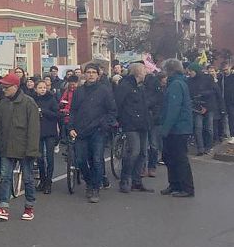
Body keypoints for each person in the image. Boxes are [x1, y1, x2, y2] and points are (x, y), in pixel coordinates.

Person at [0, 72, 40, 221]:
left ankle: (29, 207)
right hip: (7, 147)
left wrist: (32, 150)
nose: (3, 89)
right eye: (2, 86)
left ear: (15, 87)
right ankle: (3, 207)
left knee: (28, 179)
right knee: (5, 177)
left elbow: (34, 129)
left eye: (6, 87)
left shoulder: (29, 103)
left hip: (25, 148)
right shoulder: (3, 103)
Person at [69, 63, 117, 203]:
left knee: (96, 159)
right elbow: (73, 110)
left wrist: (104, 124)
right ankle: (89, 181)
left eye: (93, 72)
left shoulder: (104, 90)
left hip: (98, 130)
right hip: (81, 130)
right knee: (80, 160)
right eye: (88, 72)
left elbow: (112, 111)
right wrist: (70, 127)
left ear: (98, 75)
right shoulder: (79, 91)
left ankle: (95, 187)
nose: (90, 75)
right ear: (84, 74)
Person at [114, 63, 153, 193]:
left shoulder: (140, 87)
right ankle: (125, 180)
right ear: (138, 72)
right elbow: (118, 103)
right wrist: (120, 119)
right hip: (130, 124)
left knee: (142, 153)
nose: (146, 73)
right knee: (134, 152)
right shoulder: (125, 86)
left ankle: (137, 181)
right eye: (144, 70)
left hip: (143, 123)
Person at [159, 58, 195, 197]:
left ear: (170, 70)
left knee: (179, 158)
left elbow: (173, 109)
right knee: (170, 157)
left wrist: (165, 129)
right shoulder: (178, 82)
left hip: (178, 128)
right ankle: (174, 184)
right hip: (179, 127)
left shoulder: (176, 85)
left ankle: (186, 187)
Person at [32, 79, 59, 194]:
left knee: (49, 157)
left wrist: (43, 111)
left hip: (50, 132)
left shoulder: (51, 99)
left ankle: (48, 181)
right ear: (36, 89)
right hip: (38, 131)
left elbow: (56, 115)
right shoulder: (33, 100)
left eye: (44, 87)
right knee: (39, 158)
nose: (42, 89)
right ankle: (42, 180)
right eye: (40, 87)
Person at [190, 65, 221, 155]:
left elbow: (213, 91)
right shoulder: (190, 81)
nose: (190, 73)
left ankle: (208, 146)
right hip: (197, 107)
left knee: (209, 129)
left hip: (209, 106)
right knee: (198, 128)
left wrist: (201, 94)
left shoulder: (208, 78)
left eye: (191, 71)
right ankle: (201, 148)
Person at [145, 72, 166, 177]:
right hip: (151, 120)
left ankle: (150, 167)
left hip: (154, 120)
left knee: (152, 145)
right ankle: (149, 167)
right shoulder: (157, 92)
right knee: (151, 145)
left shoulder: (160, 92)